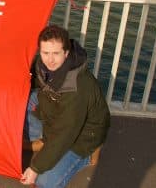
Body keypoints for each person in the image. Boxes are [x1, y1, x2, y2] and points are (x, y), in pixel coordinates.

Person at [21, 25, 110, 188]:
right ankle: (44, 143)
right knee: (21, 102)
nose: (50, 59)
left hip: (81, 137)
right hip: (54, 114)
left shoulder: (77, 86)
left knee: (43, 182)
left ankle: (88, 155)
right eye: (45, 53)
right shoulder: (42, 65)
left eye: (56, 53)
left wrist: (35, 168)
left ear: (66, 53)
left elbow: (65, 134)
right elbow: (27, 80)